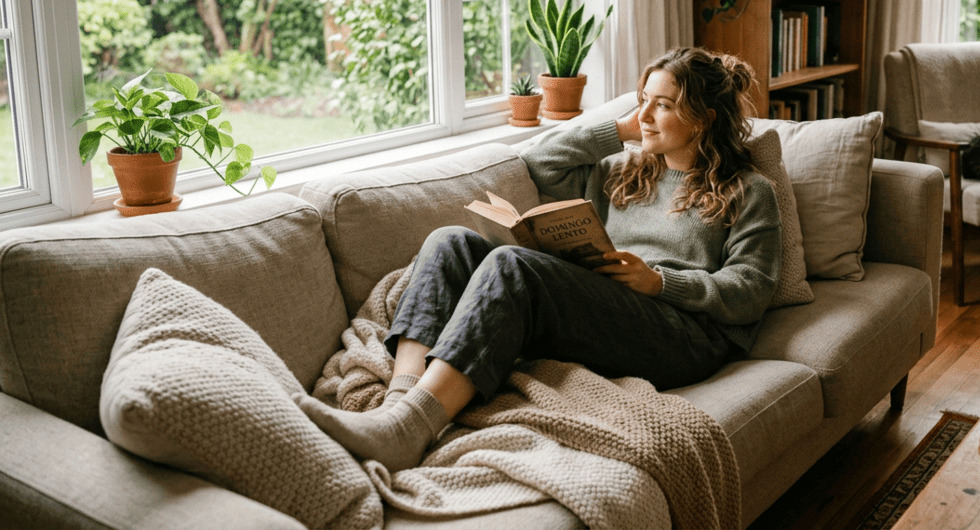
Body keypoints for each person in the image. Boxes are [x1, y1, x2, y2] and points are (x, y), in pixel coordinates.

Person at [295, 47, 782, 471]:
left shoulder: (748, 191)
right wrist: (619, 129)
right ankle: (399, 403)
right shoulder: (624, 171)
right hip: (612, 305)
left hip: (684, 332)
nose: (647, 115)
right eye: (643, 101)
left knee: (513, 265)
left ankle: (410, 429)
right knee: (449, 241)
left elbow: (752, 291)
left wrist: (659, 283)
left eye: (665, 105)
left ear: (705, 118)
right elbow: (541, 160)